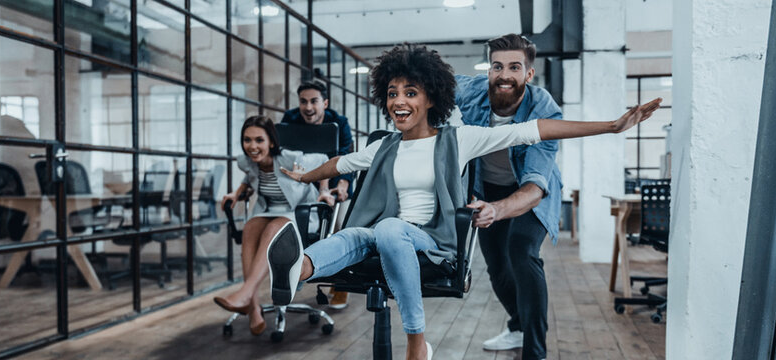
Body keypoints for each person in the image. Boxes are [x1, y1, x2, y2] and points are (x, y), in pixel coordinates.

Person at [267, 44, 661, 360]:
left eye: (410, 92)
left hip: (429, 239)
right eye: (392, 93)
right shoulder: (384, 146)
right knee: (353, 234)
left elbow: (535, 130)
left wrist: (611, 126)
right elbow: (341, 163)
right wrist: (304, 176)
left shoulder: (459, 139)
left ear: (431, 99)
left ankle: (417, 342)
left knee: (391, 230)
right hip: (386, 232)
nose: (399, 101)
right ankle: (296, 269)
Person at [454, 34, 560, 360]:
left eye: (514, 67)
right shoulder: (472, 91)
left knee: (521, 251)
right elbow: (432, 78)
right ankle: (517, 326)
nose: (504, 75)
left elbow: (535, 185)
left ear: (528, 74)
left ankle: (535, 352)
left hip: (529, 191)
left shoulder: (544, 109)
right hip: (488, 188)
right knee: (497, 266)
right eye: (497, 66)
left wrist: (497, 210)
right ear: (489, 70)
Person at [212, 115, 334, 336]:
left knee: (272, 228)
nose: (253, 146)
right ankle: (253, 308)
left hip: (299, 213)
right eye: (247, 140)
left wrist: (324, 190)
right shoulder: (247, 161)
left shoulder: (289, 158)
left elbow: (325, 160)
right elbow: (249, 177)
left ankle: (245, 294)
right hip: (268, 211)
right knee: (250, 227)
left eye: (259, 140)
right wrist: (237, 193)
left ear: (271, 142)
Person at [281, 80, 355, 309]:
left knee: (342, 226)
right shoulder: (290, 120)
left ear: (325, 103)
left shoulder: (340, 123)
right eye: (303, 102)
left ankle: (341, 285)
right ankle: (299, 269)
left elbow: (346, 157)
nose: (308, 107)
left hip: (334, 183)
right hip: (301, 184)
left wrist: (342, 186)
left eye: (314, 101)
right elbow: (283, 156)